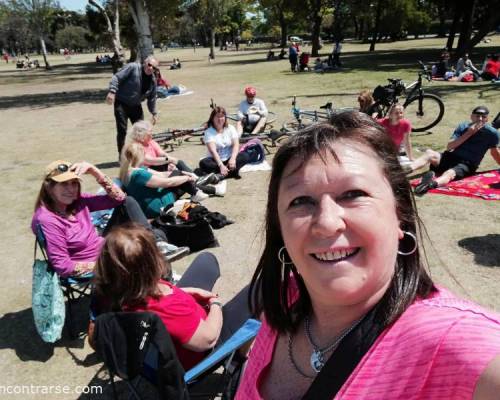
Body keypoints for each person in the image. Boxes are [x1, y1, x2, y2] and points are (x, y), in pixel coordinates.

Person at [236, 114, 500, 399]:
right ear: (280, 226)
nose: (327, 222)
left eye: (353, 194)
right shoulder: (285, 300)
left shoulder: (455, 340)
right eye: (300, 201)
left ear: (399, 213)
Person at [91, 223, 252, 370]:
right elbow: (208, 339)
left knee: (206, 260)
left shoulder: (116, 292)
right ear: (152, 265)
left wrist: (185, 292)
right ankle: (238, 359)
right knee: (261, 289)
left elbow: (156, 296)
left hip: (172, 326)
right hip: (199, 352)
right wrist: (215, 304)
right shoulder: (167, 309)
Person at [31, 160, 187, 276]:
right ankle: (162, 279)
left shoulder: (78, 201)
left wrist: (95, 171)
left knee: (130, 205)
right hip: (94, 263)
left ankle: (157, 247)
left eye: (74, 183)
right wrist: (107, 263)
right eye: (64, 184)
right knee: (144, 256)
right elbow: (63, 265)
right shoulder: (47, 219)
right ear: (49, 187)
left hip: (106, 249)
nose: (71, 189)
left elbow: (119, 199)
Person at [412, 105, 500, 195]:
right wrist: (469, 133)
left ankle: (428, 185)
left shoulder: (492, 133)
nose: (480, 119)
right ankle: (404, 170)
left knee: (449, 173)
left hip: (466, 164)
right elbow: (449, 147)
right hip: (450, 157)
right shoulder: (463, 126)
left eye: (483, 117)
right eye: (477, 116)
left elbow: (494, 153)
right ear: (472, 117)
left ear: (487, 119)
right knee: (429, 153)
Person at [127, 120, 226, 196]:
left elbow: (162, 153)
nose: (152, 134)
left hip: (160, 169)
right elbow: (150, 160)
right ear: (142, 134)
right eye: (150, 132)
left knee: (182, 175)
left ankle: (202, 181)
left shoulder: (151, 142)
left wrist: (169, 161)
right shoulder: (136, 147)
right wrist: (169, 160)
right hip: (152, 174)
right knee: (184, 181)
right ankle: (210, 186)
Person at [119, 142, 211, 218]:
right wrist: (187, 178)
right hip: (155, 206)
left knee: (177, 175)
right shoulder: (139, 174)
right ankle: (198, 192)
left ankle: (199, 191)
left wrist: (182, 173)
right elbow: (167, 183)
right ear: (140, 156)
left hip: (146, 203)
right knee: (179, 180)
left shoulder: (128, 169)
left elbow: (162, 174)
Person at [106, 55, 159, 157]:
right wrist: (112, 91)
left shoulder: (152, 81)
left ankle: (141, 154)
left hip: (135, 105)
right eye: (149, 65)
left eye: (154, 68)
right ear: (145, 63)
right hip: (121, 103)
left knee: (142, 131)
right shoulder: (133, 67)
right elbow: (116, 77)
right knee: (122, 130)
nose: (151, 68)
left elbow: (152, 98)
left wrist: (154, 112)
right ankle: (122, 155)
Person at [199, 106, 251, 180]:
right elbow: (213, 151)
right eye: (217, 117)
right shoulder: (209, 132)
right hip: (216, 161)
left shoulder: (230, 128)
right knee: (203, 163)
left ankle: (222, 175)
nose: (220, 119)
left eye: (222, 117)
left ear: (225, 117)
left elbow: (236, 145)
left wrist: (233, 159)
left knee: (245, 155)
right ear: (212, 118)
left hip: (229, 159)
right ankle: (231, 172)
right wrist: (221, 165)